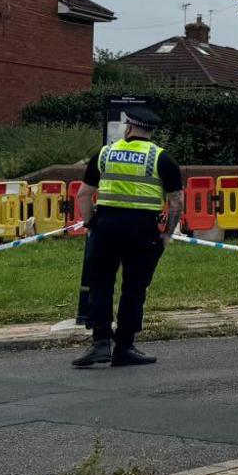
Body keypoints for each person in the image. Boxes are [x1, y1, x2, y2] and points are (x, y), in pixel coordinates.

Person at [71, 108, 182, 368]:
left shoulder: (105, 153)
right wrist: (167, 233)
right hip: (143, 230)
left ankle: (100, 343)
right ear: (150, 132)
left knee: (100, 285)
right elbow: (176, 201)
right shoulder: (162, 158)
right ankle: (124, 347)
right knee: (134, 289)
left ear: (129, 128)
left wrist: (89, 224)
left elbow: (84, 195)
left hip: (106, 227)